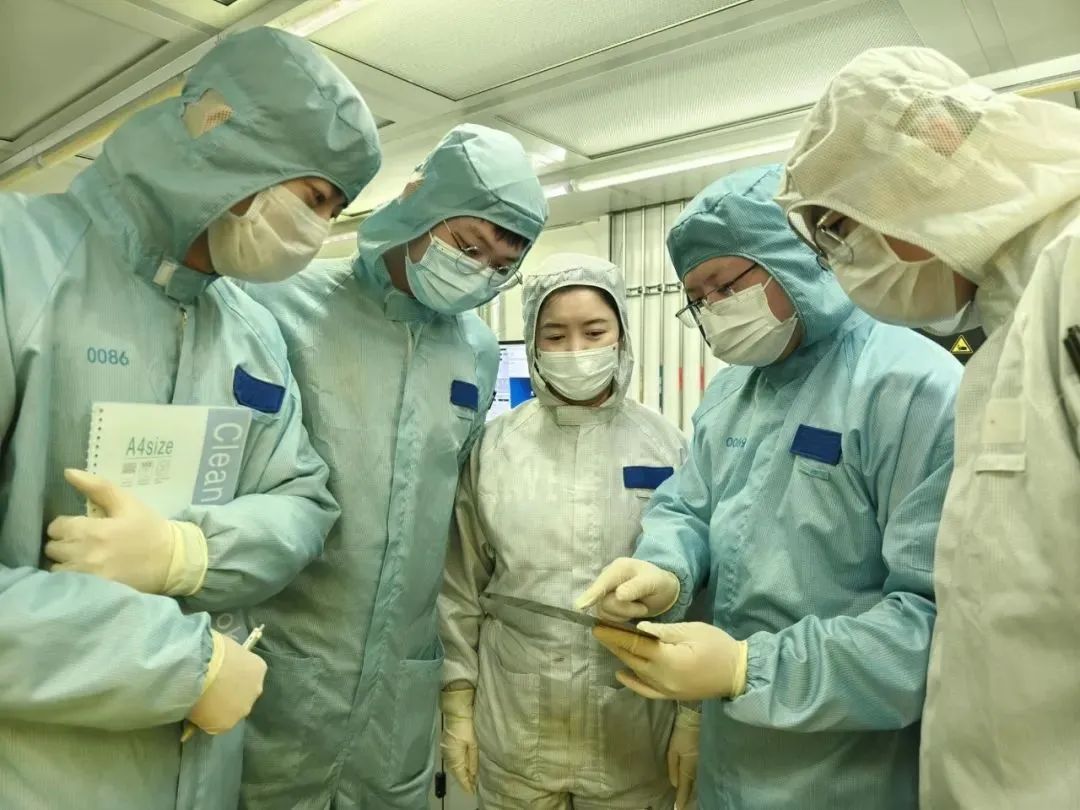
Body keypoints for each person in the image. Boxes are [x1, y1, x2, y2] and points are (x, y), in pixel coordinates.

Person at [0, 26, 381, 810]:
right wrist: (180, 664)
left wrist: (189, 554)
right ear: (225, 133)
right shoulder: (18, 266)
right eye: (313, 199)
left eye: (336, 211)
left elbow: (302, 498)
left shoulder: (249, 331)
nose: (316, 231)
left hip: (203, 769)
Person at [576, 164, 962, 809]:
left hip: (847, 768)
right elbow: (689, 506)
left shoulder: (911, 387)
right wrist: (665, 569)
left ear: (795, 257)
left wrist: (746, 668)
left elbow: (932, 621)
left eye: (725, 285)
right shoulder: (733, 391)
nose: (714, 310)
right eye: (697, 298)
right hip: (733, 755)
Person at [774, 47, 1080, 809]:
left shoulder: (1073, 274)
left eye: (839, 230)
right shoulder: (1007, 327)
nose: (845, 265)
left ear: (919, 166)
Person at [241, 123, 548, 809]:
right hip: (281, 666)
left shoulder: (474, 350)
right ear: (419, 202)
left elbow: (452, 512)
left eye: (502, 264)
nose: (480, 270)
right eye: (468, 246)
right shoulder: (279, 304)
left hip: (399, 692)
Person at [438, 254, 693, 810]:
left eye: (594, 332)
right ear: (532, 342)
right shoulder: (495, 448)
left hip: (632, 726)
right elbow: (460, 587)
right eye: (555, 335)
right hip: (515, 722)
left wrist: (692, 719)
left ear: (622, 335)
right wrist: (457, 701)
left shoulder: (666, 445)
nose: (576, 350)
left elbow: (698, 588)